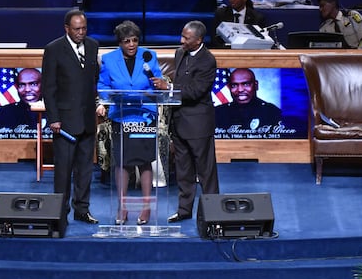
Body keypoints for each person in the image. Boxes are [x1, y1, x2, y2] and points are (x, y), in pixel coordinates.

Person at [150, 21, 220, 223]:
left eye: (186, 38)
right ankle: (184, 210)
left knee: (206, 172)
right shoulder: (180, 53)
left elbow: (196, 91)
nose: (182, 41)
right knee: (183, 170)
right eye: (182, 36)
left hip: (198, 124)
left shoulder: (208, 60)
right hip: (178, 121)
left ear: (199, 40)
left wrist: (168, 88)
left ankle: (213, 212)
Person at [96, 20, 162, 226]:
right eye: (127, 41)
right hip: (122, 115)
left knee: (144, 161)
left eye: (134, 40)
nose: (132, 44)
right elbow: (102, 85)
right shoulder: (108, 59)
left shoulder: (149, 56)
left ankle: (146, 207)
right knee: (122, 161)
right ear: (120, 43)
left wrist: (145, 93)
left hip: (144, 115)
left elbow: (158, 83)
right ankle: (122, 206)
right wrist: (113, 96)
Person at [42, 9, 100, 224]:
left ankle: (82, 210)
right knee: (64, 172)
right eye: (77, 29)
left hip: (86, 120)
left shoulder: (93, 46)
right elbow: (49, 87)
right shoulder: (54, 49)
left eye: (84, 28)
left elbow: (92, 81)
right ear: (67, 28)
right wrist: (54, 118)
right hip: (64, 122)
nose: (81, 32)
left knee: (85, 170)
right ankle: (60, 212)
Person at [215, 68, 281, 136]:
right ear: (229, 87)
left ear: (256, 85)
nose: (240, 90)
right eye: (234, 85)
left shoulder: (271, 112)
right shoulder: (217, 113)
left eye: (246, 84)